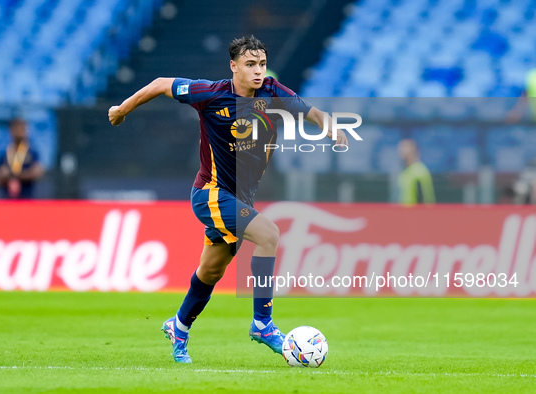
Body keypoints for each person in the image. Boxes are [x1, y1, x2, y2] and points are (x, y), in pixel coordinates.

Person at [108, 35, 347, 363]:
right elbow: (162, 83)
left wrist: (331, 127)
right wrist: (122, 109)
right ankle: (263, 324)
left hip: (238, 200)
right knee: (269, 234)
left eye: (262, 64)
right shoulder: (210, 94)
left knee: (211, 271)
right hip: (210, 195)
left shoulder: (271, 92)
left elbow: (309, 111)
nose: (258, 71)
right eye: (250, 65)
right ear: (234, 67)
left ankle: (179, 325)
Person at [0, 118, 44, 199]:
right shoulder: (3, 153)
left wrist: (11, 175)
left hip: (27, 199)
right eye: (17, 128)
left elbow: (36, 173)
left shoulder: (32, 152)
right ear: (11, 130)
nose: (20, 132)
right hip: (7, 199)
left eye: (22, 129)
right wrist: (3, 176)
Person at [398, 139, 435, 205]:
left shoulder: (419, 171)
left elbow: (423, 199)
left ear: (414, 150)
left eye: (405, 147)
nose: (402, 151)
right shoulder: (405, 171)